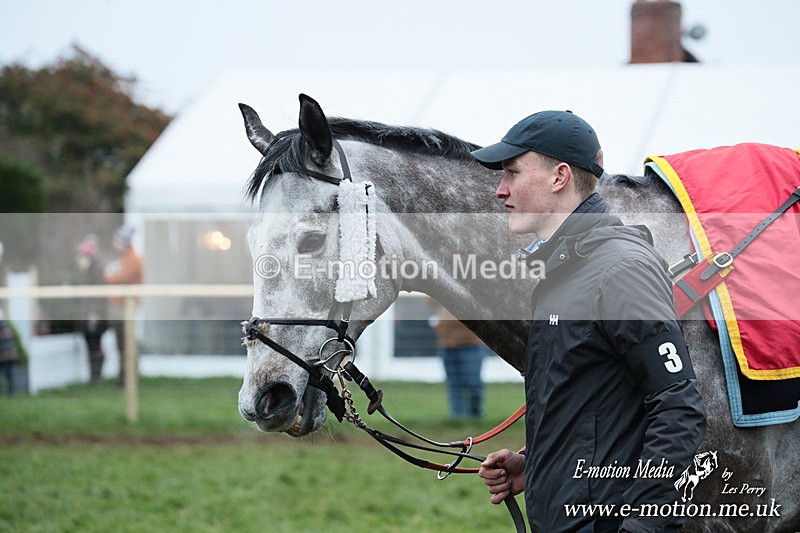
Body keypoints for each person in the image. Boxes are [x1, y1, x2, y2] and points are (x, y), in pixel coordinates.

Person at [472, 110, 706, 532]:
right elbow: (597, 404)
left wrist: (643, 525)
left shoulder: (620, 268)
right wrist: (534, 464)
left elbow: (679, 410)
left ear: (559, 177)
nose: (499, 190)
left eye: (511, 172)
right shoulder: (565, 268)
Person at [430, 304, 487, 419]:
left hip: (471, 344)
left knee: (473, 382)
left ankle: (475, 415)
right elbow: (429, 303)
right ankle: (457, 418)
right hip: (447, 344)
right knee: (454, 384)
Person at [104, 225, 143, 386]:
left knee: (126, 343)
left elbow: (118, 278)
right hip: (118, 306)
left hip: (125, 307)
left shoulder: (133, 259)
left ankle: (128, 379)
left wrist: (109, 275)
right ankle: (124, 378)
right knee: (122, 343)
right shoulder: (123, 258)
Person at [75, 234, 107, 383]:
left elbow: (97, 295)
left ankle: (96, 376)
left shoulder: (95, 272)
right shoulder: (85, 272)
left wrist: (94, 313)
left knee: (94, 345)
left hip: (93, 316)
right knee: (91, 345)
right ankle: (94, 376)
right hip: (87, 315)